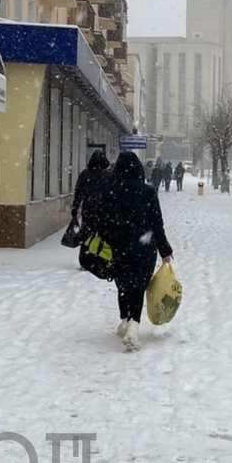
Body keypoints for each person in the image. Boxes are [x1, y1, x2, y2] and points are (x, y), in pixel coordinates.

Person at [90, 152, 174, 351]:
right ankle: (133, 326)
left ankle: (125, 320)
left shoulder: (109, 191)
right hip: (143, 248)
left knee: (123, 284)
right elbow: (157, 224)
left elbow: (100, 222)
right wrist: (165, 250)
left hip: (118, 248)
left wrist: (110, 236)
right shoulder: (147, 192)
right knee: (138, 286)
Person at [71, 150, 113, 240]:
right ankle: (100, 251)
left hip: (88, 209)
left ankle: (86, 250)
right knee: (103, 236)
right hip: (104, 210)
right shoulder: (109, 175)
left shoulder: (85, 174)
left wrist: (75, 207)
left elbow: (79, 192)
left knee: (87, 235)